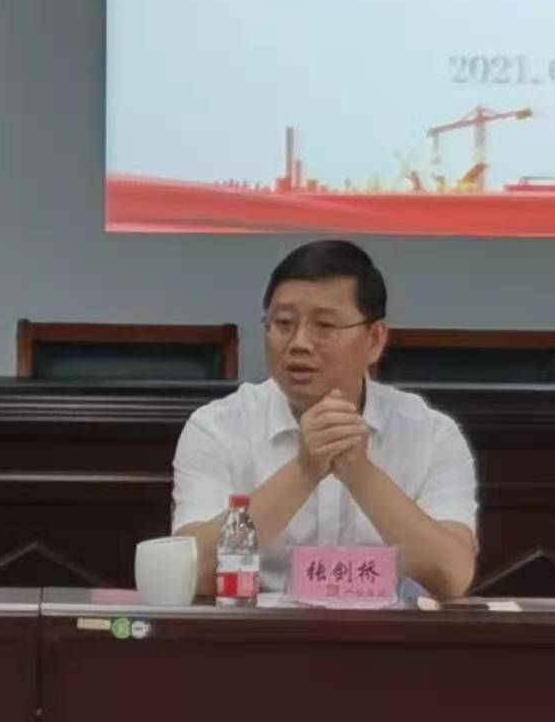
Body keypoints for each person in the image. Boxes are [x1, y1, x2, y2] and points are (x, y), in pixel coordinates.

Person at [172, 240, 478, 599]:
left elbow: (451, 576)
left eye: (324, 325)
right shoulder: (216, 427)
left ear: (374, 339)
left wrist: (359, 470)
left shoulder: (431, 434)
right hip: (259, 632)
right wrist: (305, 469)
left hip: (390, 633)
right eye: (283, 323)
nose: (299, 343)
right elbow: (193, 573)